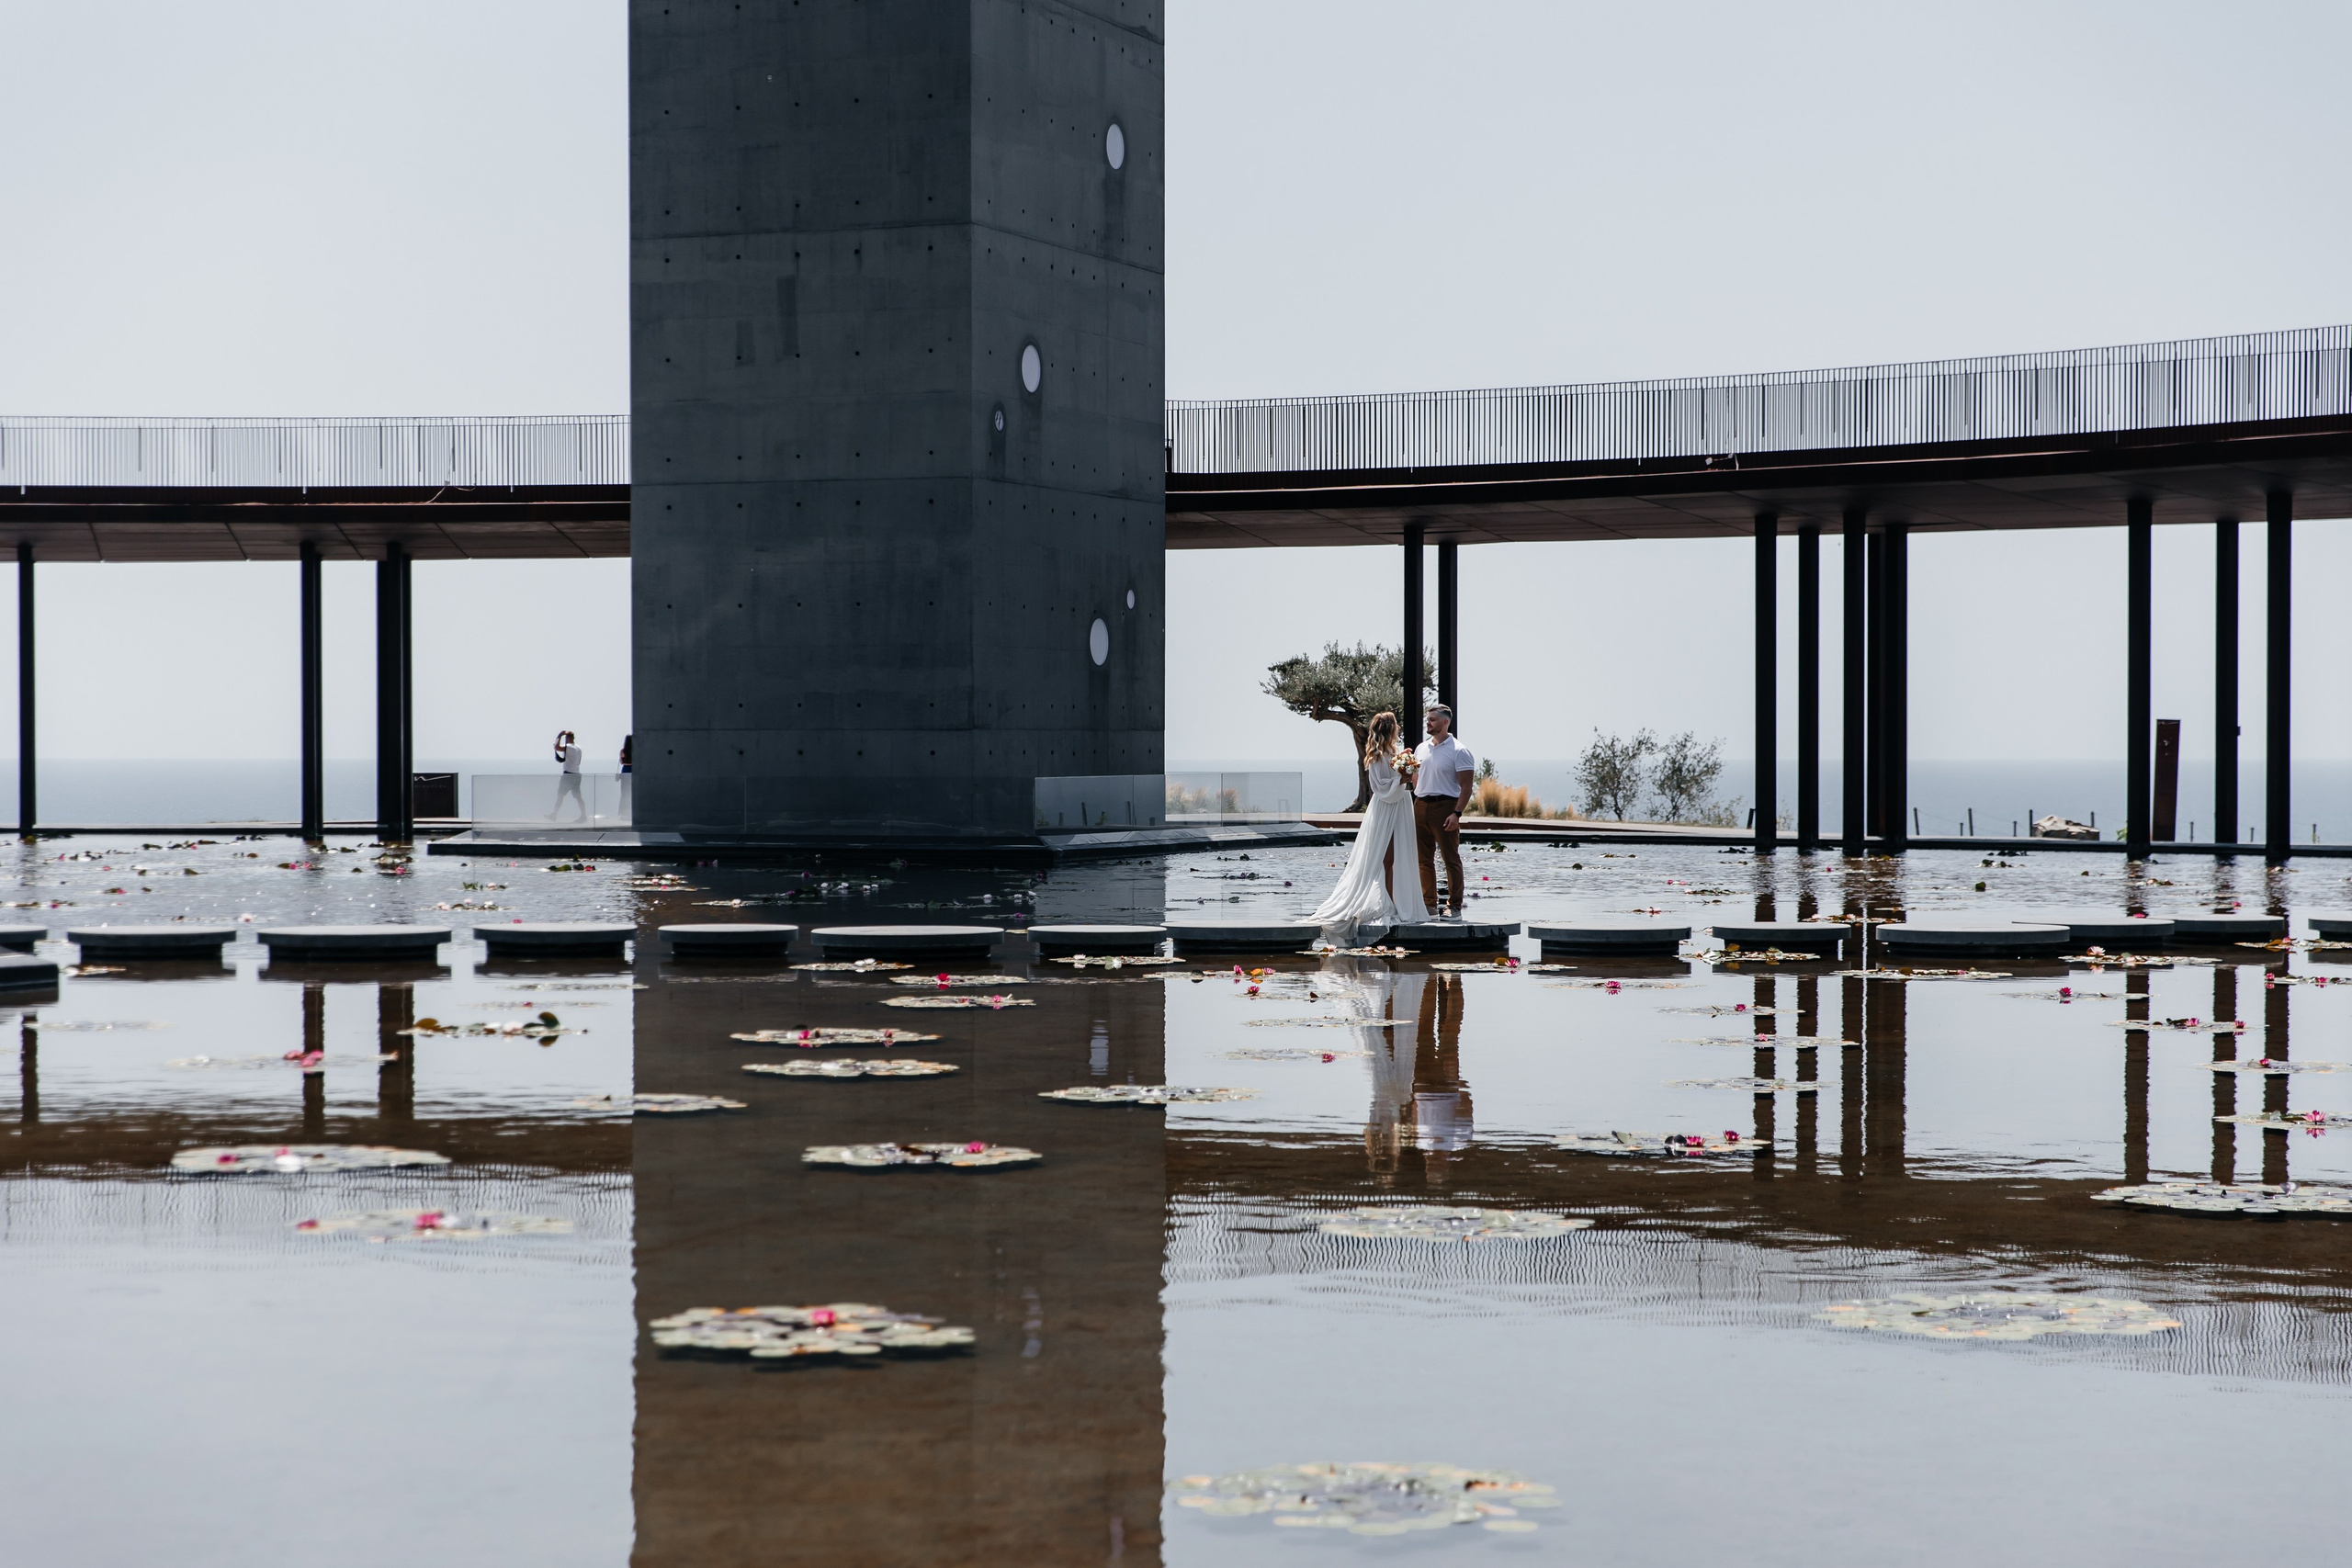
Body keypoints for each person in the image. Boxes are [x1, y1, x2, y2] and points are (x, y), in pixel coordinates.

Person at [1309, 712, 1431, 930]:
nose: (1399, 728)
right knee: (1386, 859)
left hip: (1400, 805)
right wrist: (1400, 778)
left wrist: (1403, 770)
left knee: (1397, 857)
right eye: (1396, 725)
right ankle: (1388, 902)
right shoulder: (1376, 756)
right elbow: (1380, 788)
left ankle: (1397, 900)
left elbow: (1393, 778)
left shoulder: (1393, 752)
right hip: (1386, 808)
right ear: (1390, 729)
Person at [1412, 705, 1475, 918]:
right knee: (1423, 859)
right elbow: (1416, 776)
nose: (1428, 723)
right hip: (1420, 806)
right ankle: (1428, 904)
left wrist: (1456, 813)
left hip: (1445, 807)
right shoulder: (1421, 748)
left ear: (1445, 722)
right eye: (1428, 719)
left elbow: (1466, 787)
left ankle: (1454, 906)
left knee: (1450, 858)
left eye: (1432, 720)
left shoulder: (1459, 751)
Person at [549, 728, 586, 822]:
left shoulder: (569, 747)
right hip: (577, 774)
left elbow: (556, 747)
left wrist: (559, 735)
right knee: (578, 797)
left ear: (567, 738)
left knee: (560, 795)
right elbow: (579, 761)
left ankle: (554, 814)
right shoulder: (578, 748)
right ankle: (583, 815)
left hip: (568, 775)